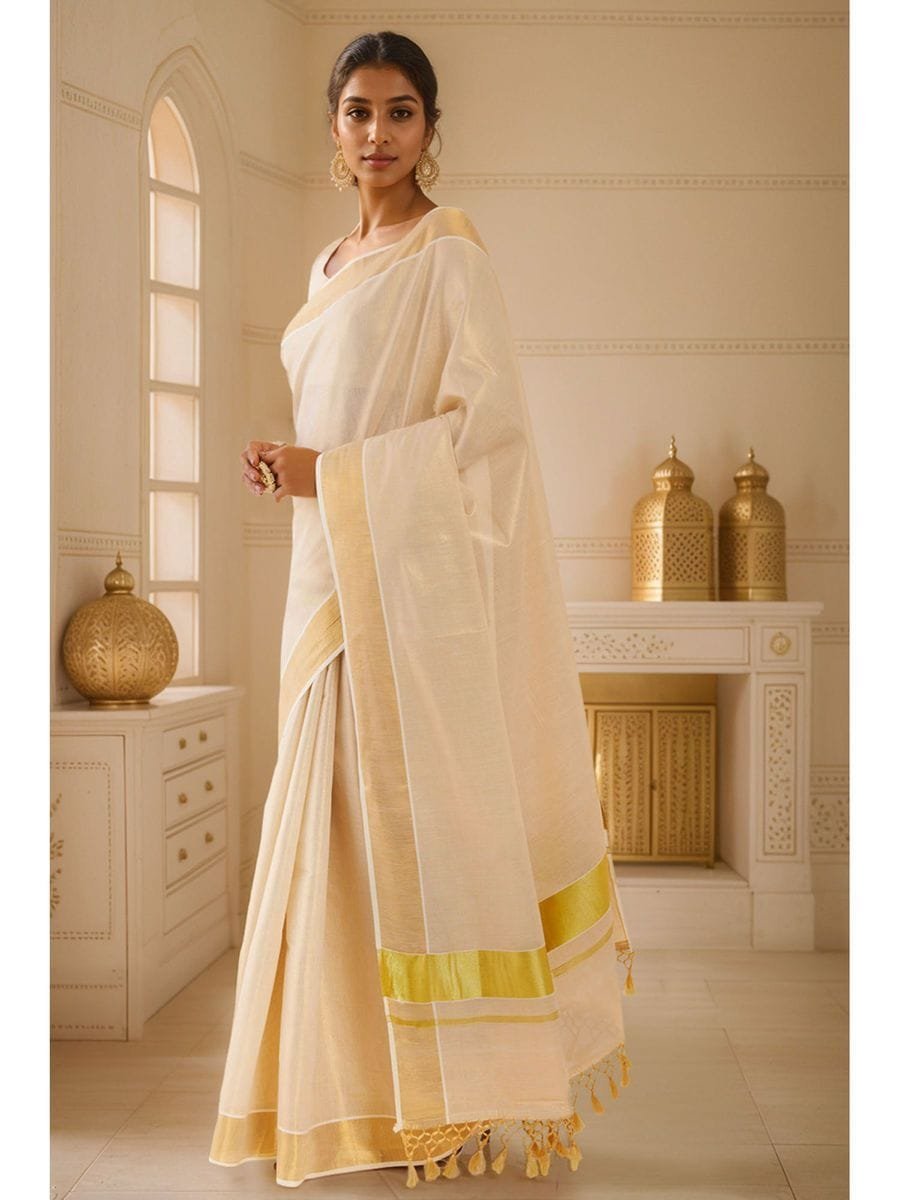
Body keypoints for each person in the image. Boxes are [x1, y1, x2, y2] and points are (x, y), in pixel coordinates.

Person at [208, 30, 635, 1190]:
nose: (378, 133)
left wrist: (329, 474)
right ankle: (346, 1097)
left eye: (401, 112)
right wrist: (295, 471)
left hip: (404, 592)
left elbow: (486, 446)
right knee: (328, 837)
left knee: (405, 829)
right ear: (333, 128)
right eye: (359, 111)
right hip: (328, 580)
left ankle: (452, 1096)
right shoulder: (328, 269)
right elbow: (342, 421)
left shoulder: (451, 257)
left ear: (432, 129)